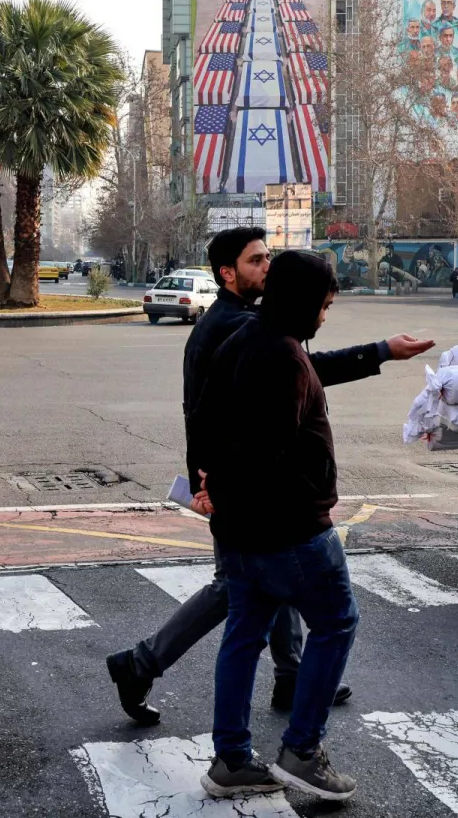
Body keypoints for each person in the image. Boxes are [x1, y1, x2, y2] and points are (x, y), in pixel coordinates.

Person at [104, 227, 431, 726]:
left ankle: (289, 676)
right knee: (240, 587)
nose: (267, 267)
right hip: (235, 487)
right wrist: (380, 351)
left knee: (265, 580)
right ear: (227, 273)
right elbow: (291, 377)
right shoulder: (235, 327)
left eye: (269, 257)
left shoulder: (237, 320)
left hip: (231, 484)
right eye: (256, 260)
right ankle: (141, 663)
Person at [193, 251, 361, 801]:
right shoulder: (286, 357)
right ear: (304, 301)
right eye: (324, 306)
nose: (324, 317)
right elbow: (267, 452)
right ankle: (302, 751)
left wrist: (212, 487)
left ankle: (231, 761)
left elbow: (206, 422)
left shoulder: (240, 339)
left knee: (244, 637)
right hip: (290, 531)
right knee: (336, 623)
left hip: (238, 530)